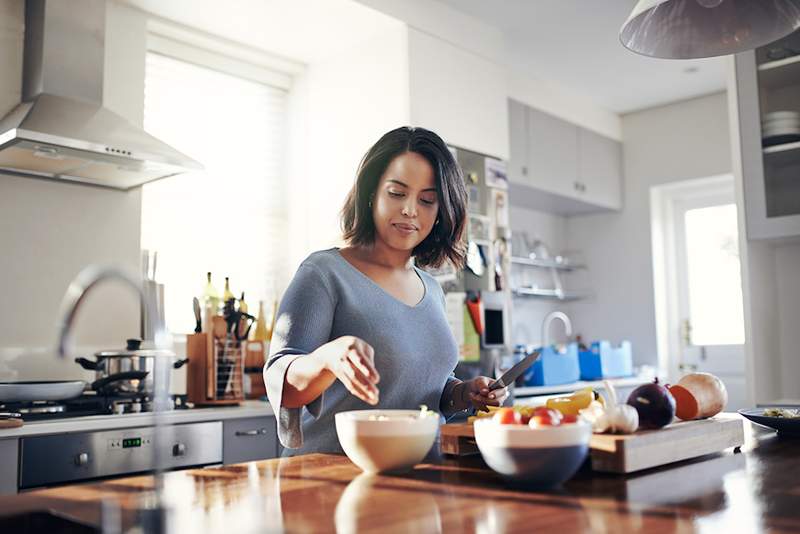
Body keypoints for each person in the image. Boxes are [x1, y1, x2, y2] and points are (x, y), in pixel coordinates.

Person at [264, 126, 508, 454]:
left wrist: (463, 393)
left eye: (426, 200)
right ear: (371, 193)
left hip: (419, 476)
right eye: (397, 193)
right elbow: (281, 382)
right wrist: (327, 359)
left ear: (441, 212)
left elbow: (425, 388)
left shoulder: (432, 289)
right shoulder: (324, 273)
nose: (410, 209)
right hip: (331, 482)